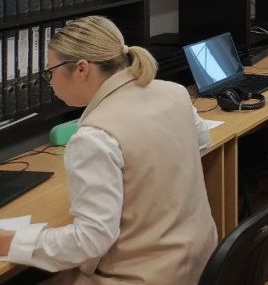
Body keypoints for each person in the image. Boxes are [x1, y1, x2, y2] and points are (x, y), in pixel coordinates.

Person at [0, 16, 216, 284]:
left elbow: (90, 242)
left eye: (50, 72)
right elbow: (202, 143)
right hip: (201, 262)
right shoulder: (175, 92)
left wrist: (9, 242)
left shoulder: (94, 137)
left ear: (81, 69)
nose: (51, 82)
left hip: (144, 277)